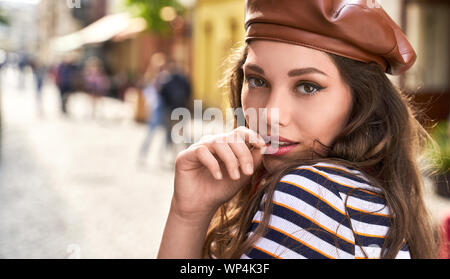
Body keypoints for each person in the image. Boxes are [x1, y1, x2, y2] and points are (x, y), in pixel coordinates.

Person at [158, 0, 439, 259]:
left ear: (361, 101)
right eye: (257, 81)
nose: (270, 114)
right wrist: (190, 212)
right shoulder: (368, 196)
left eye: (308, 87)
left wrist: (187, 220)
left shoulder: (311, 194)